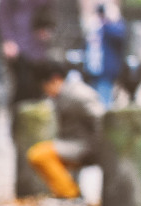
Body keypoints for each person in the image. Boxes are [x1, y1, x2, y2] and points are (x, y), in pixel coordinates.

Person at [26, 59, 105, 198]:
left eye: (44, 85)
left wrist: (102, 150)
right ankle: (66, 191)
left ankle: (70, 193)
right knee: (39, 153)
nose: (45, 90)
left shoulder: (79, 94)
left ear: (55, 79)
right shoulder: (63, 94)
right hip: (74, 144)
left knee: (39, 154)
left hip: (86, 146)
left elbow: (100, 120)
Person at [0, 0, 56, 107]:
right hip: (18, 49)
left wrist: (47, 28)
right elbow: (3, 13)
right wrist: (7, 39)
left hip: (38, 50)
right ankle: (19, 121)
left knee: (40, 92)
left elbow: (48, 11)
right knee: (21, 93)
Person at [84, 2, 126, 107]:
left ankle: (103, 119)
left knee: (104, 101)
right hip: (93, 69)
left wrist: (110, 20)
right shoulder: (94, 25)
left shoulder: (112, 25)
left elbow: (120, 36)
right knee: (92, 100)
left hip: (106, 70)